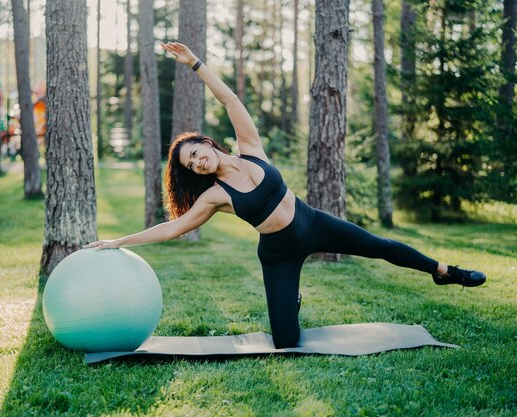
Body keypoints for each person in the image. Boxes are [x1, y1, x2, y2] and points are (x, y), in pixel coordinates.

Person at [84, 41, 486, 349]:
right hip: (278, 252)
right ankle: (290, 296)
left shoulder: (251, 149)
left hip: (311, 222)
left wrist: (195, 63)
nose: (197, 163)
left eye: (196, 154)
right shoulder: (215, 197)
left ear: (207, 144)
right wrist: (120, 241)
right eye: (191, 166)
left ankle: (445, 272)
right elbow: (173, 229)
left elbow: (229, 99)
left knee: (379, 245)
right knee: (286, 342)